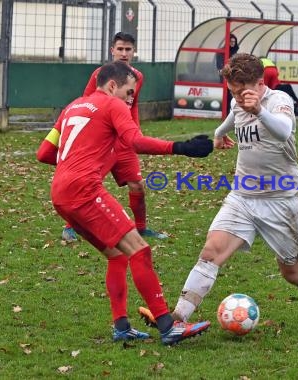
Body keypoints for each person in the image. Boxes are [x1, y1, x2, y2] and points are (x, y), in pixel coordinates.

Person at [138, 53, 298, 327]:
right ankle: (176, 320)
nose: (238, 98)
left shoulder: (278, 101)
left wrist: (259, 112)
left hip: (280, 200)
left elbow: (284, 131)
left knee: (291, 272)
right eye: (233, 92)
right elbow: (232, 117)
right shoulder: (239, 103)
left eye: (243, 92)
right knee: (211, 252)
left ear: (260, 83)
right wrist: (219, 133)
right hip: (242, 197)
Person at [41, 61, 213, 345]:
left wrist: (75, 166)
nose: (132, 98)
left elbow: (44, 152)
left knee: (117, 255)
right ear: (112, 85)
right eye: (129, 91)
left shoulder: (73, 106)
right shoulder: (113, 105)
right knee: (140, 249)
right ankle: (168, 326)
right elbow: (136, 141)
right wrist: (181, 148)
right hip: (84, 191)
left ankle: (121, 326)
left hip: (60, 194)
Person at [40, 32, 168, 243]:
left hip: (123, 139)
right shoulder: (100, 74)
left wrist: (136, 131)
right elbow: (87, 103)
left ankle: (141, 228)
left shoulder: (137, 76)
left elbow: (132, 105)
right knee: (88, 180)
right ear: (112, 50)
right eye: (120, 49)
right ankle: (70, 226)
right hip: (102, 139)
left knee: (137, 185)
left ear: (134, 52)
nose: (124, 53)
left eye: (128, 49)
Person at [216, 34, 240, 111]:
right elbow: (220, 66)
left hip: (233, 77)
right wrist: (222, 70)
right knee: (225, 95)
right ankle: (224, 111)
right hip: (224, 76)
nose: (233, 43)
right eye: (231, 41)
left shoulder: (235, 52)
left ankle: (230, 111)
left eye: (234, 41)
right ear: (227, 42)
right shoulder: (221, 52)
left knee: (231, 95)